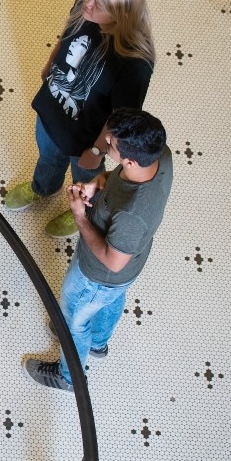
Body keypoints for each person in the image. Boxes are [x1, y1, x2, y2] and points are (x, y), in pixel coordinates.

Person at [24, 108, 173, 393]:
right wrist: (97, 183)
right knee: (113, 299)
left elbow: (112, 261)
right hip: (126, 272)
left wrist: (80, 216)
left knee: (74, 320)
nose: (105, 145)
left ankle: (68, 377)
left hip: (98, 275)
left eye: (111, 146)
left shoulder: (133, 215)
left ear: (129, 160)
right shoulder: (157, 155)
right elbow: (116, 176)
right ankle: (99, 342)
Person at [4, 0, 155, 238]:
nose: (86, 3)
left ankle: (82, 210)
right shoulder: (84, 6)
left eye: (97, 4)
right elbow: (68, 34)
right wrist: (50, 62)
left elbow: (122, 118)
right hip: (52, 110)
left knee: (86, 179)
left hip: (88, 138)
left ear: (120, 15)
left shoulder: (134, 63)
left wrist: (97, 150)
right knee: (48, 157)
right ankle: (44, 188)